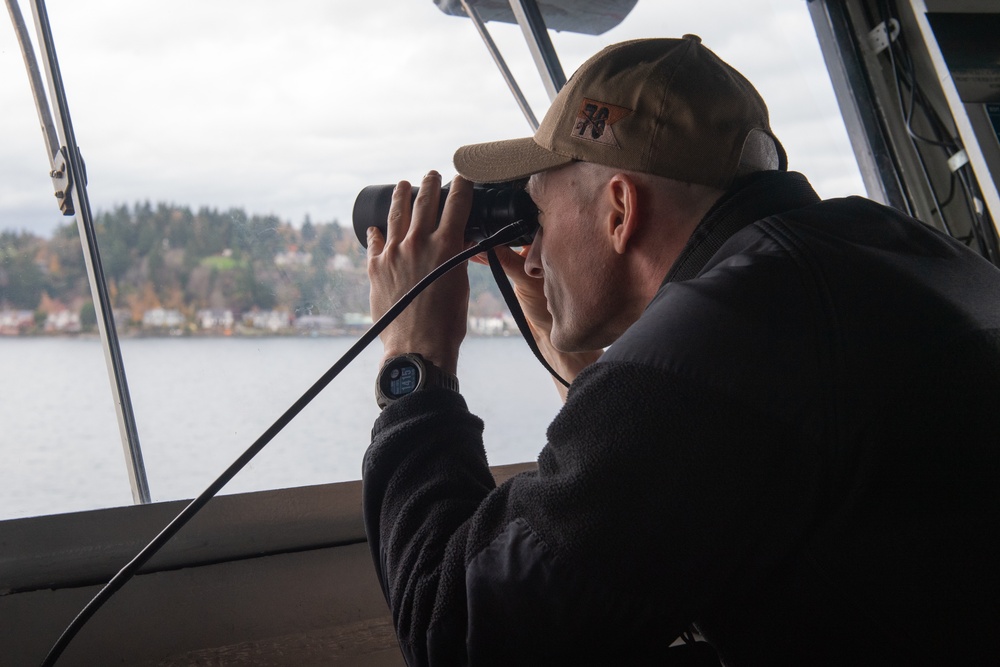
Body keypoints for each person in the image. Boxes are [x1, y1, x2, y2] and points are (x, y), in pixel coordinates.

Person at [361, 36, 1000, 665]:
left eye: (538, 215)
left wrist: (415, 354)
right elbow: (642, 472)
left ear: (619, 211)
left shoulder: (719, 346)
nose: (533, 247)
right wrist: (549, 312)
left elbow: (459, 633)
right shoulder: (902, 249)